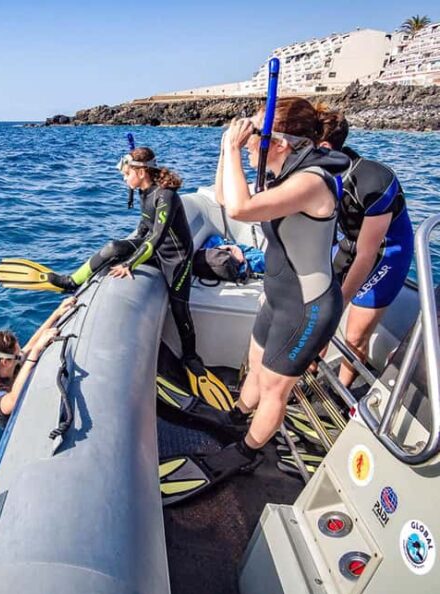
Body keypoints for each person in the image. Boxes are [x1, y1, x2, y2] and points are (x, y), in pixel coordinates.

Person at [158, 98, 352, 506]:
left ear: (280, 142)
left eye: (255, 139)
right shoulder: (285, 170)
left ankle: (245, 452)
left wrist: (233, 150)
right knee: (255, 370)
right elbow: (228, 198)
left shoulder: (312, 181)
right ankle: (235, 417)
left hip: (307, 308)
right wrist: (224, 149)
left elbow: (242, 209)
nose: (249, 146)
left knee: (274, 388)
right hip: (279, 297)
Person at [0, 147, 234, 408]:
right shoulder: (144, 193)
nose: (123, 179)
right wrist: (122, 252)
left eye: (126, 173)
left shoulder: (165, 196)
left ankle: (191, 358)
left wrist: (130, 264)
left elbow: (154, 238)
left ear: (141, 172)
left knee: (180, 309)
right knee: (112, 247)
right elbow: (143, 231)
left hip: (176, 260)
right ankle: (70, 282)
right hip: (154, 251)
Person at [317, 111, 414, 387]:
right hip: (349, 245)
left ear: (323, 148)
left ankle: (341, 392)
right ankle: (311, 372)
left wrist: (340, 302)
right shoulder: (319, 176)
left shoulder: (373, 180)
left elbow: (367, 253)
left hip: (386, 254)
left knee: (355, 335)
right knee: (320, 318)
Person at [0, 297, 76, 428]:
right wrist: (35, 352)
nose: (21, 355)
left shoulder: (10, 365)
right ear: (5, 362)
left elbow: (30, 345)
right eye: (17, 356)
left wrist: (57, 313)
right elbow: (12, 400)